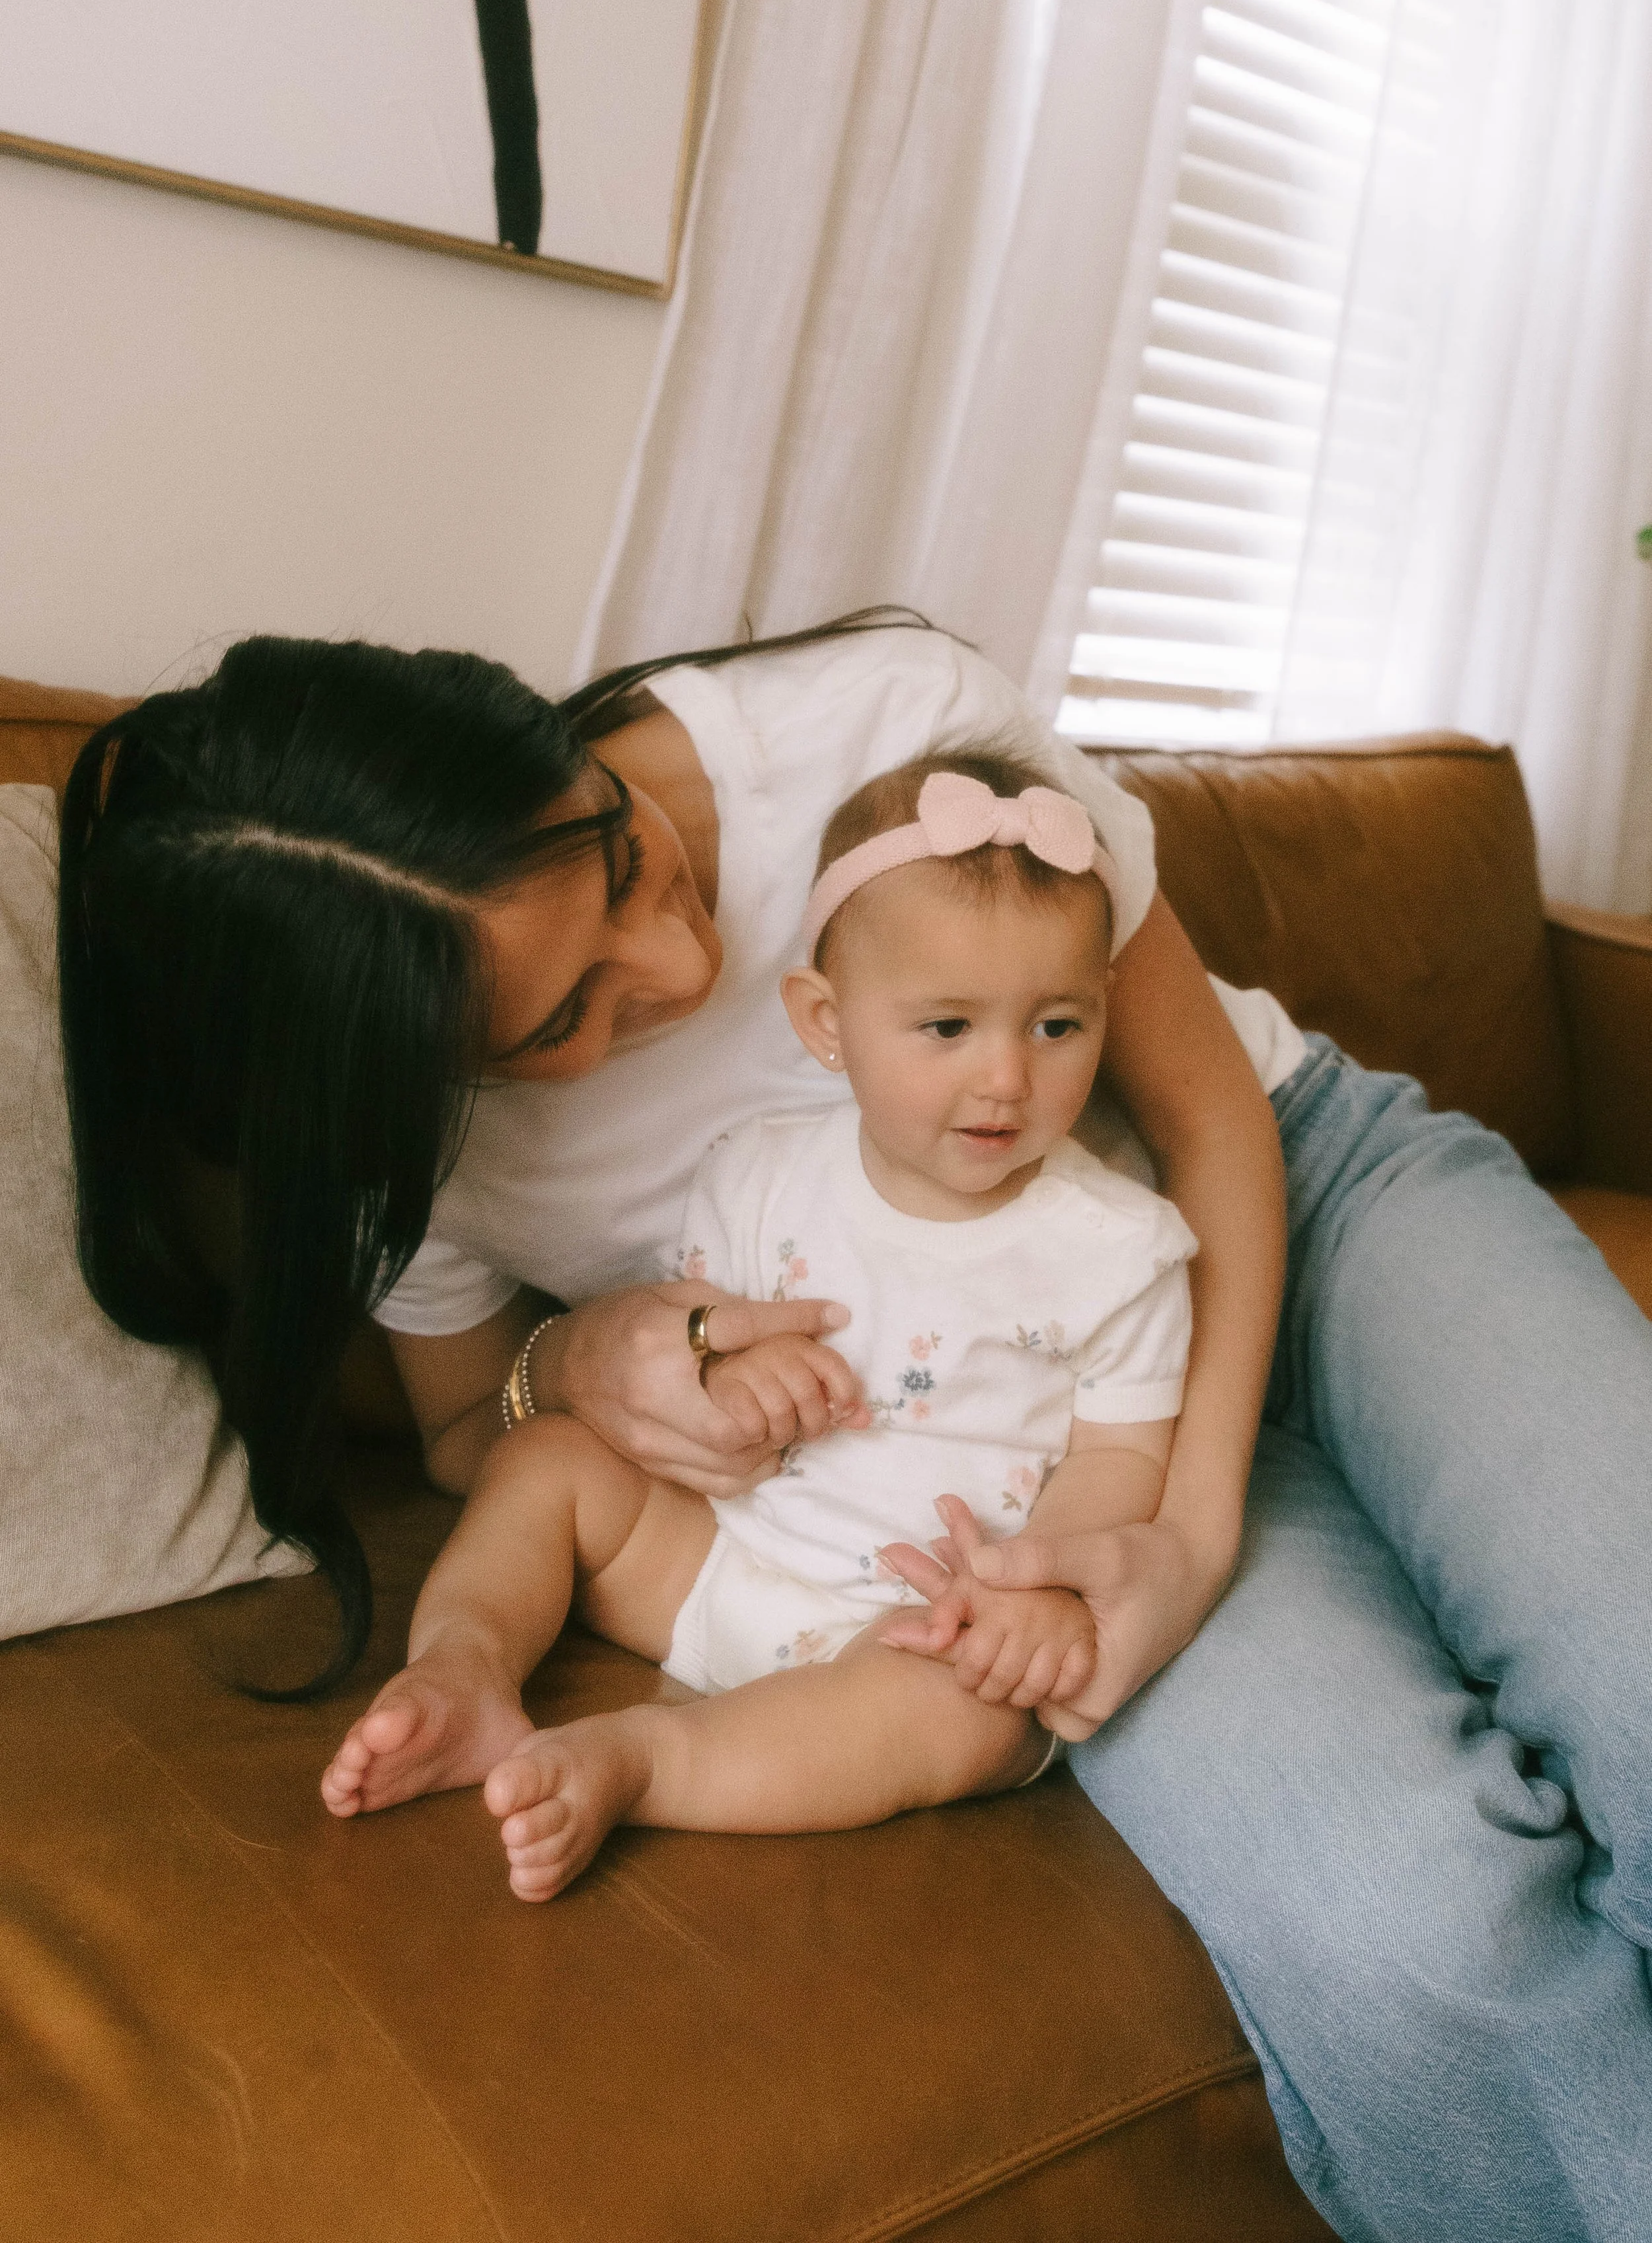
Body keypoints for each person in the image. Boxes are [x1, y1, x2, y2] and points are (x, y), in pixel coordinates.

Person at [57, 613, 1651, 2242]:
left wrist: (1190, 1526)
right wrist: (588, 1360)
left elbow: (1197, 1114)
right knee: (1420, 1943)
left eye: (621, 867)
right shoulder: (421, 1161)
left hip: (1301, 1197)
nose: (676, 969)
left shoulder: (867, 725)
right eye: (558, 1027)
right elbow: (478, 1427)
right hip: (1011, 1474)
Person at [319, 750, 1198, 1894]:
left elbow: (1124, 1457)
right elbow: (694, 1365)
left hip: (917, 1622)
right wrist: (737, 1385)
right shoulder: (761, 1173)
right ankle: (465, 1667)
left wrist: (1031, 1588)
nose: (1004, 1078)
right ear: (827, 1022)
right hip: (719, 1553)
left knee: (978, 1717)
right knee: (550, 1457)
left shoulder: (1120, 1249)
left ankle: (647, 1760)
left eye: (1057, 1026)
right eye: (946, 1026)